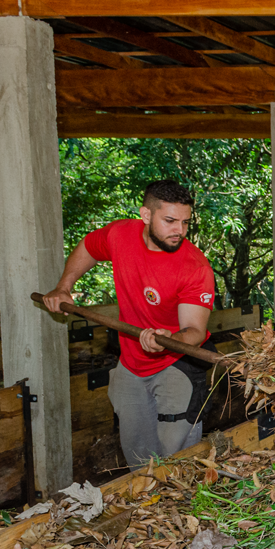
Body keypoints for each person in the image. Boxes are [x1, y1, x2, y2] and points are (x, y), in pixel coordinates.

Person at [42, 180, 216, 469]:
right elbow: (88, 247)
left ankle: (182, 509)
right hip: (132, 362)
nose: (180, 231)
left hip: (177, 361)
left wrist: (167, 339)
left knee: (178, 458)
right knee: (138, 453)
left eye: (185, 223)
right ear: (146, 215)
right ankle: (149, 508)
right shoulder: (121, 235)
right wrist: (64, 286)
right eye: (170, 221)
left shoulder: (195, 267)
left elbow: (195, 332)